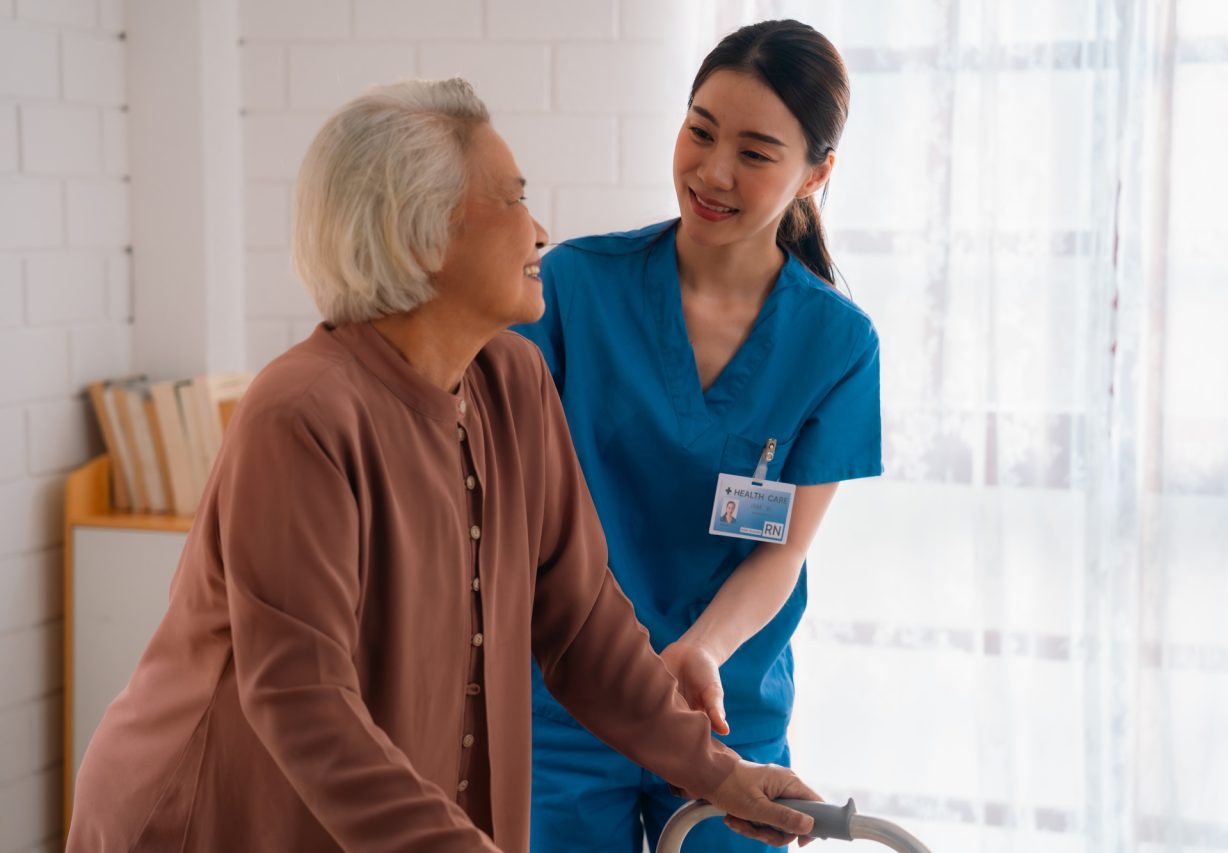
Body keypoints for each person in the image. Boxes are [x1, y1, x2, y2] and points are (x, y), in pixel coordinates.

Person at [65, 78, 822, 853]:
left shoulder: (515, 382)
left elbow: (583, 622)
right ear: (422, 236)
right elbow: (303, 700)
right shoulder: (302, 415)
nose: (540, 230)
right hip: (201, 817)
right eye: (513, 200)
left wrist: (717, 771)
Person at [514, 20, 882, 852]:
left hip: (726, 703)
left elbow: (781, 552)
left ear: (816, 173)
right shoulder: (574, 286)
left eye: (755, 153)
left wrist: (700, 650)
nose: (712, 172)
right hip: (570, 695)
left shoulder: (838, 346)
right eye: (700, 131)